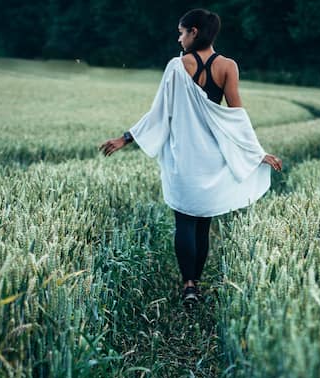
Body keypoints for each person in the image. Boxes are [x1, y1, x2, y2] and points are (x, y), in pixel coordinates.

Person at [99, 8, 283, 305]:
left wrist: (126, 138)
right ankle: (195, 284)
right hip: (212, 158)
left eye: (182, 32)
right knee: (203, 223)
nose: (179, 37)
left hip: (183, 157)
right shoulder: (227, 66)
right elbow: (236, 116)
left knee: (184, 221)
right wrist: (256, 153)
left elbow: (160, 112)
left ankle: (188, 285)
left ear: (194, 31)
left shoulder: (176, 66)